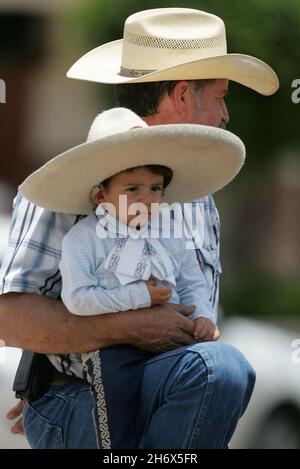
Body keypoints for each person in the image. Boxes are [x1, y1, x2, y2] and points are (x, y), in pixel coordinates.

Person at [0, 8, 278, 448]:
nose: (226, 114)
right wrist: (124, 332)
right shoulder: (71, 181)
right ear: (184, 96)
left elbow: (192, 319)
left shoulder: (200, 200)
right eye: (221, 96)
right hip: (82, 395)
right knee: (221, 369)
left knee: (218, 369)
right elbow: (9, 317)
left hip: (160, 384)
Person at [18, 106, 245, 448]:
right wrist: (141, 298)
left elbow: (192, 280)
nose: (146, 200)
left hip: (170, 352)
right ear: (100, 195)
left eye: (155, 189)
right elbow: (79, 298)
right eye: (132, 189)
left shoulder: (169, 231)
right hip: (113, 354)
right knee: (119, 422)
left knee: (224, 374)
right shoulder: (84, 239)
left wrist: (202, 316)